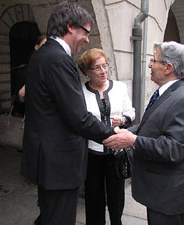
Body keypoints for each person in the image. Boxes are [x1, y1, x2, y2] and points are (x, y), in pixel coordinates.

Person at [20, 2, 115, 225]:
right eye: (86, 32)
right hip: (58, 163)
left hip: (49, 160)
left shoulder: (42, 54)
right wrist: (112, 135)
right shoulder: (58, 59)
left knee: (49, 215)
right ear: (71, 27)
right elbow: (78, 117)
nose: (88, 39)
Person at [103, 41, 184, 225]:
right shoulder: (169, 93)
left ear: (168, 67)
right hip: (161, 192)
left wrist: (133, 140)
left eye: (154, 60)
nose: (149, 65)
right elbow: (151, 126)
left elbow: (174, 148)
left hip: (170, 195)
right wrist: (123, 132)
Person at [78, 48, 135, 225]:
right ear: (87, 71)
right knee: (93, 197)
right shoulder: (80, 92)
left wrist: (124, 119)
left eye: (105, 66)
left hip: (116, 153)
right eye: (97, 68)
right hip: (91, 155)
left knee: (116, 198)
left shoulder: (120, 87)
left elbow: (131, 112)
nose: (103, 71)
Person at [12, 34, 47, 116]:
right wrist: (23, 93)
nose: (48, 49)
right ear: (36, 47)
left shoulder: (54, 69)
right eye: (44, 45)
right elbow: (17, 100)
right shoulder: (24, 71)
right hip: (29, 118)